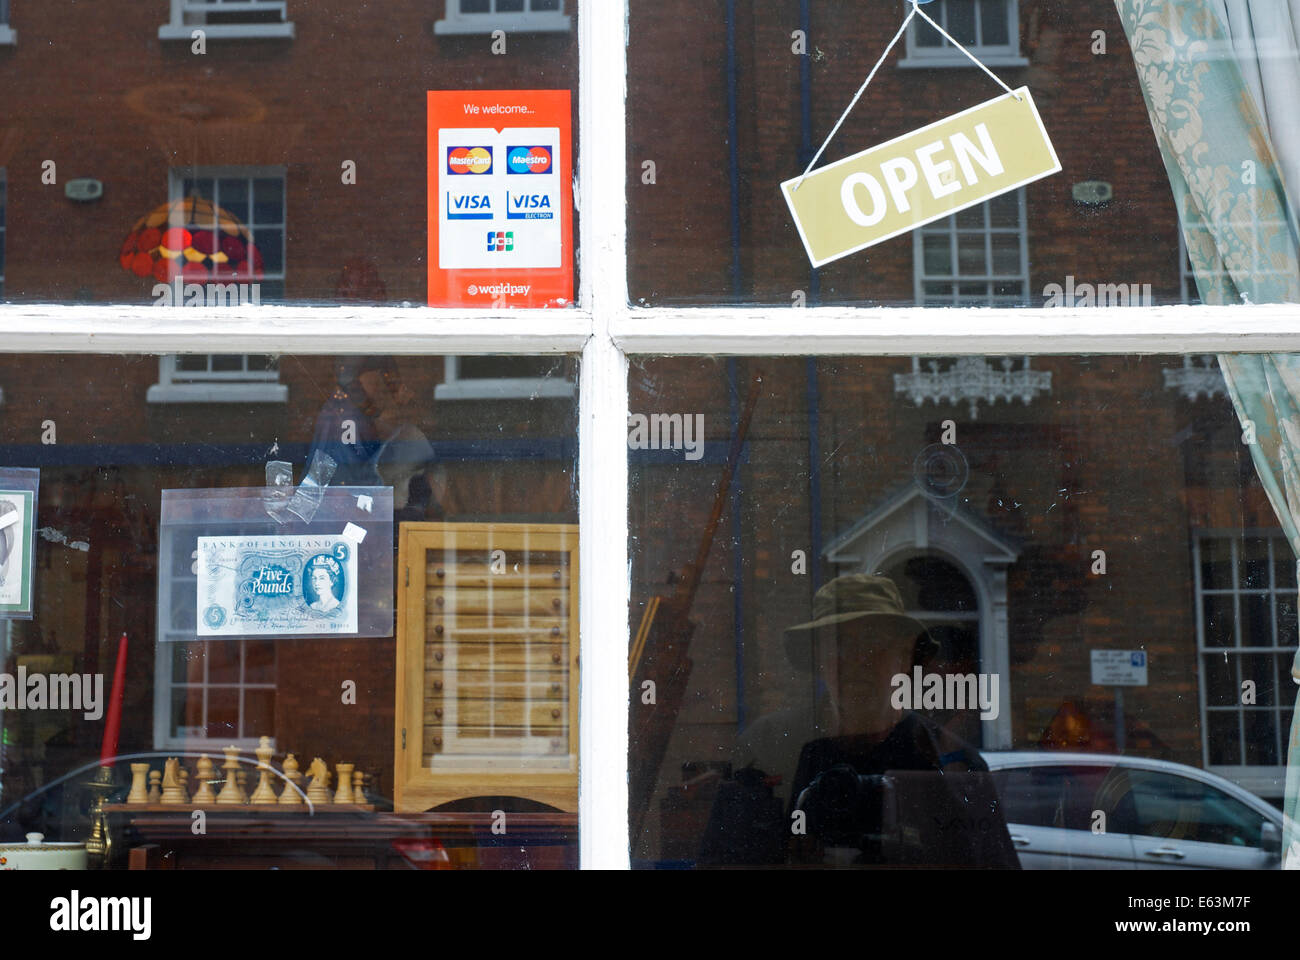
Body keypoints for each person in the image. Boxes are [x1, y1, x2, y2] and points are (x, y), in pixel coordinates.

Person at [703, 573, 1020, 868]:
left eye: (873, 644)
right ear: (818, 658)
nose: (855, 660)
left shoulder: (953, 762)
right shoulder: (767, 747)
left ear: (905, 656)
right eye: (838, 644)